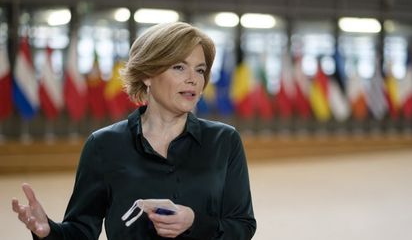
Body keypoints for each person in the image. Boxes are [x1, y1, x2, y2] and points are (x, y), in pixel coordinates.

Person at [12, 21, 256, 240]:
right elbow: (80, 231)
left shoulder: (225, 141)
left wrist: (194, 222)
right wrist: (47, 231)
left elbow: (242, 226)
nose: (193, 79)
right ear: (148, 74)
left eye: (200, 70)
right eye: (179, 67)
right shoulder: (103, 145)